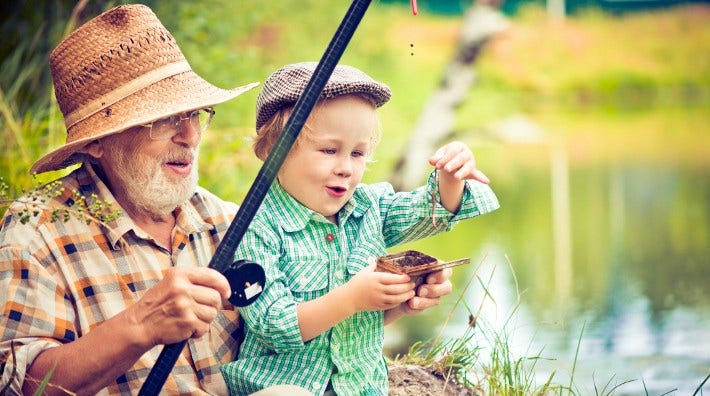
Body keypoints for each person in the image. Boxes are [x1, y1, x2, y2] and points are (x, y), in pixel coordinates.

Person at [0, 5, 455, 395]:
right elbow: (19, 383)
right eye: (163, 121)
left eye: (195, 114)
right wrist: (139, 327)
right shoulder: (35, 233)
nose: (190, 135)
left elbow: (291, 334)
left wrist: (387, 302)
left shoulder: (231, 219)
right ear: (97, 143)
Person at [220, 62, 500, 395]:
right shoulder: (256, 227)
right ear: (273, 151)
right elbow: (273, 326)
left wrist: (450, 176)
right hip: (282, 387)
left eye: (358, 153)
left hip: (361, 387)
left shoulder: (369, 208)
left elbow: (430, 211)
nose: (346, 168)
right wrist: (353, 298)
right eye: (329, 150)